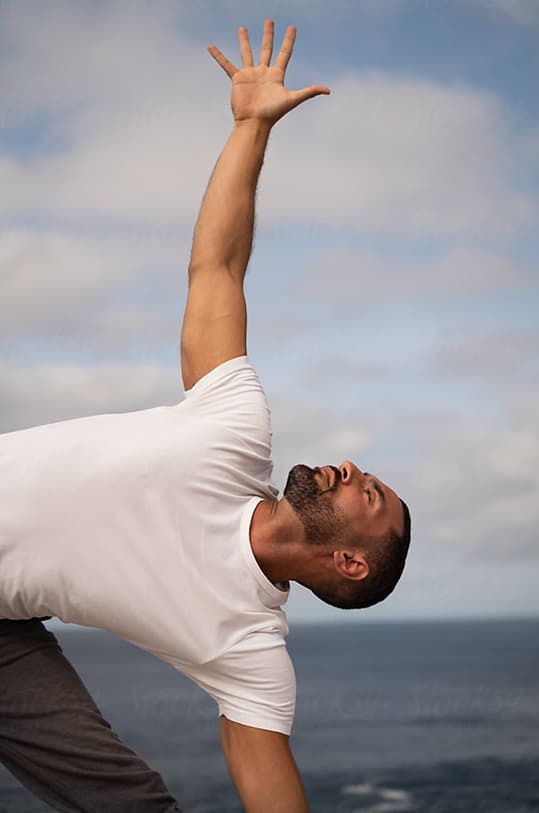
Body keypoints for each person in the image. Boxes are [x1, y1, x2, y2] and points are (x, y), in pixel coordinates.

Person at [0, 19, 411, 813]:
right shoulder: (230, 432)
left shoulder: (249, 649)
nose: (353, 467)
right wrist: (251, 128)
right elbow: (216, 268)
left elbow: (268, 782)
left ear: (351, 563)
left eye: (371, 493)